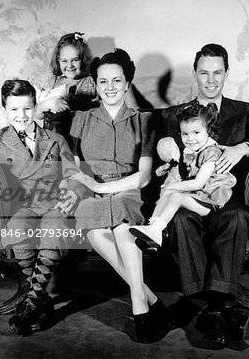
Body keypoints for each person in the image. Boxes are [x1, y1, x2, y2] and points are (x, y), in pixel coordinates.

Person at [161, 43, 249, 347]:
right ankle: (212, 307)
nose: (211, 79)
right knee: (180, 219)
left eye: (218, 72)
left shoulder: (242, 112)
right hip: (192, 196)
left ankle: (213, 308)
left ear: (227, 72)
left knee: (238, 218)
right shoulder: (178, 116)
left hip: (227, 198)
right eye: (204, 73)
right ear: (195, 74)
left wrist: (243, 147)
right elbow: (164, 152)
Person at [0, 79, 84, 336]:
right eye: (14, 110)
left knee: (54, 230)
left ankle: (31, 303)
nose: (21, 116)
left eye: (26, 109)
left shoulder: (54, 139)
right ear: (5, 109)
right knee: (17, 229)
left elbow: (74, 174)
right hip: (25, 206)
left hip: (55, 203)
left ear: (35, 108)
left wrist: (73, 194)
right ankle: (39, 301)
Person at [69, 49, 172, 343]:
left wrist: (104, 187)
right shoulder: (81, 120)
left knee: (124, 227)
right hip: (93, 193)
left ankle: (139, 307)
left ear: (127, 83)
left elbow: (144, 176)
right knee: (95, 233)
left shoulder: (144, 121)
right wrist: (89, 189)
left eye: (117, 80)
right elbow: (77, 170)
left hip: (129, 191)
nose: (110, 87)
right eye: (103, 81)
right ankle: (149, 299)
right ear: (96, 84)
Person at [130, 103, 236, 251]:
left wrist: (171, 186)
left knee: (175, 196)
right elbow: (182, 174)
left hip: (211, 199)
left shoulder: (212, 152)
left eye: (196, 133)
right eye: (185, 134)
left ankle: (157, 230)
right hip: (197, 196)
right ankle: (152, 230)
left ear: (209, 131)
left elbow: (198, 183)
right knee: (168, 193)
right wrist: (169, 172)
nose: (190, 138)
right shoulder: (189, 151)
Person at [36, 32, 98, 139]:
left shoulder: (92, 82)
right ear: (58, 60)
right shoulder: (53, 82)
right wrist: (46, 104)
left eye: (75, 60)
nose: (70, 65)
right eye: (64, 61)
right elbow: (37, 114)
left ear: (83, 59)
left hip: (82, 140)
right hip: (54, 140)